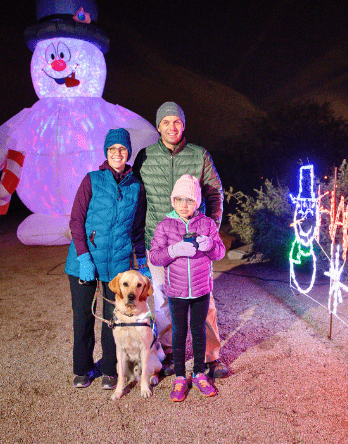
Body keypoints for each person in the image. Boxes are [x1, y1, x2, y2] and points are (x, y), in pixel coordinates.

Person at [133, 102, 229, 378]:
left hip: (195, 244)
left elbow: (214, 194)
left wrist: (209, 232)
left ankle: (211, 356)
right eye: (166, 122)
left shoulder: (199, 155)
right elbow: (138, 198)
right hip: (160, 242)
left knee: (205, 299)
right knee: (163, 301)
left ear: (183, 125)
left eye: (176, 121)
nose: (172, 127)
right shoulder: (145, 157)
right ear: (158, 126)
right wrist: (139, 239)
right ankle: (171, 354)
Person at [64, 128, 150, 389]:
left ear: (128, 153)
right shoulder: (92, 180)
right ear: (106, 152)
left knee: (115, 319)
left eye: (122, 149)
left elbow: (137, 228)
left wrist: (142, 260)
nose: (117, 153)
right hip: (85, 261)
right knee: (84, 317)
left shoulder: (136, 186)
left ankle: (111, 370)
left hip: (118, 265)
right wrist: (83, 257)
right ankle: (83, 369)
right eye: (112, 149)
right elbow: (76, 221)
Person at [148, 175, 226, 401]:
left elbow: (220, 253)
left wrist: (210, 245)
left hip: (201, 290)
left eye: (190, 200)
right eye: (179, 199)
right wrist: (174, 251)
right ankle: (181, 377)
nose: (184, 205)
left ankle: (199, 372)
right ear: (172, 201)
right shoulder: (165, 225)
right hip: (177, 291)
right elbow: (154, 256)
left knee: (199, 331)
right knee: (180, 333)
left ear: (198, 202)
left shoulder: (207, 224)